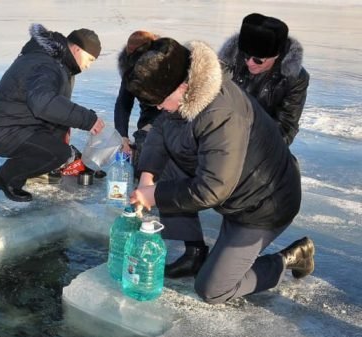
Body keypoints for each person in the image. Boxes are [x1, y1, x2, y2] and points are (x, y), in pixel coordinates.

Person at [125, 37, 315, 304]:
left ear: (183, 87)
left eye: (160, 100)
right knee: (164, 170)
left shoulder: (221, 114)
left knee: (213, 290)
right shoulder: (190, 93)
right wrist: (147, 176)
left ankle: (289, 259)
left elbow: (212, 189)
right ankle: (194, 253)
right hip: (236, 190)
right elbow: (160, 128)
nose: (158, 107)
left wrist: (154, 195)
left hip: (263, 205)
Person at [0, 23, 105, 202]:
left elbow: (54, 106)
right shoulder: (47, 65)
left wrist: (81, 120)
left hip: (22, 123)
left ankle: (42, 168)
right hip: (4, 131)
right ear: (77, 49)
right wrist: (87, 119)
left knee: (59, 143)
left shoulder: (57, 62)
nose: (88, 66)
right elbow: (43, 103)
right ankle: (6, 178)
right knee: (58, 153)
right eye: (90, 59)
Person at [218, 13, 309, 146]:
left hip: (260, 145)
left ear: (276, 56)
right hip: (220, 137)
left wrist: (250, 147)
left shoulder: (294, 79)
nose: (249, 63)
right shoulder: (226, 63)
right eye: (246, 56)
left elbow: (285, 128)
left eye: (258, 60)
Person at [114, 30, 161, 173]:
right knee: (140, 163)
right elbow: (123, 104)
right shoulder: (129, 70)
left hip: (176, 120)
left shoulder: (167, 65)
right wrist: (122, 136)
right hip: (147, 120)